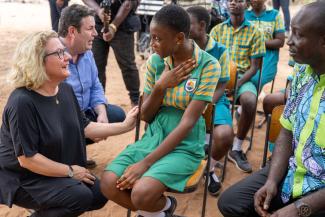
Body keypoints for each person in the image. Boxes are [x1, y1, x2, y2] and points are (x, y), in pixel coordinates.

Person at [0, 30, 138, 216]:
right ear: (38, 61)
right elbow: (27, 159)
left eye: (63, 50)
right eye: (58, 53)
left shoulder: (64, 90)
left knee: (98, 193)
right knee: (79, 195)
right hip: (23, 177)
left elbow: (85, 127)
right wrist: (70, 171)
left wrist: (126, 126)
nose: (67, 57)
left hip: (51, 168)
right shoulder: (22, 102)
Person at [100, 5, 220, 217]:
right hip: (153, 136)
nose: (152, 44)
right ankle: (161, 212)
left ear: (179, 38)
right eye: (151, 36)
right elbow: (145, 116)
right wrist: (160, 86)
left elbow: (187, 123)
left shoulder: (208, 65)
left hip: (185, 143)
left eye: (157, 38)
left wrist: (145, 163)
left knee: (141, 194)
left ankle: (157, 209)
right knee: (109, 183)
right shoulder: (156, 62)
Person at [218, 2, 325, 216]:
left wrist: (299, 209)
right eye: (290, 32)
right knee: (230, 203)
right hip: (293, 171)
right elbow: (286, 129)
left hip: (319, 191)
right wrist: (272, 180)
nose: (289, 42)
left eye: (298, 35)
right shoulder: (302, 73)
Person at [210, 0, 265, 173]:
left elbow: (255, 67)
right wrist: (222, 82)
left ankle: (237, 147)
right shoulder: (217, 30)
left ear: (247, 5)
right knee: (203, 98)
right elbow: (210, 61)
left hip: (242, 77)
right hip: (218, 78)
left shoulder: (256, 32)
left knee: (250, 100)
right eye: (231, 0)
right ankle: (208, 143)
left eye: (239, 0)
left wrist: (236, 84)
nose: (234, 3)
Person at [187, 5, 233, 196]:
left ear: (202, 25)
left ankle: (209, 168)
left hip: (214, 98)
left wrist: (204, 104)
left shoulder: (220, 50)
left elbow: (222, 85)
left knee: (224, 135)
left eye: (188, 24)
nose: (183, 28)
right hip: (185, 99)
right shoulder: (182, 46)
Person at [59, 4, 126, 132]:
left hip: (85, 113)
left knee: (117, 115)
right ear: (72, 31)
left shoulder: (87, 53)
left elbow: (95, 85)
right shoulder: (54, 56)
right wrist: (90, 130)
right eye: (90, 29)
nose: (95, 33)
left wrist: (101, 113)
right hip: (64, 119)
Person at [82, 0, 141, 107]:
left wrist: (113, 26)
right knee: (95, 66)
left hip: (124, 24)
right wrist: (99, 10)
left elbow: (128, 2)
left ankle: (136, 102)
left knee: (127, 65)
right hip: (98, 24)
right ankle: (98, 101)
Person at [245, 0, 285, 89]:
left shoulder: (274, 14)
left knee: (257, 79)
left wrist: (258, 42)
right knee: (240, 76)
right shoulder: (244, 14)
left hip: (267, 56)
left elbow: (280, 41)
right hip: (246, 55)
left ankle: (251, 97)